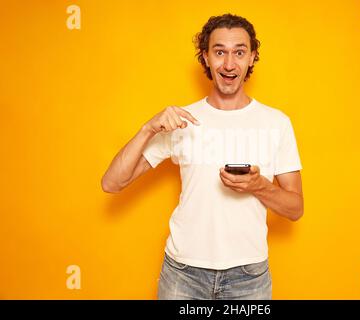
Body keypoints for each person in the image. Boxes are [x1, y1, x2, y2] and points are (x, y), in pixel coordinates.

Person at [101, 13, 304, 300]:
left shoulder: (277, 123)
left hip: (248, 278)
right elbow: (112, 183)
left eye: (239, 52)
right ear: (206, 58)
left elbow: (295, 209)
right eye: (219, 52)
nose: (229, 63)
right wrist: (148, 128)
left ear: (252, 57)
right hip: (183, 274)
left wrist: (259, 186)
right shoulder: (181, 120)